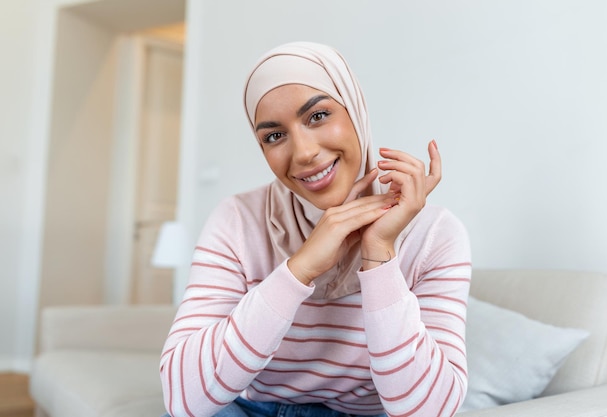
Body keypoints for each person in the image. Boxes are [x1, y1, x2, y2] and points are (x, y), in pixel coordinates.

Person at [160, 42, 471, 417]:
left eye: (318, 115)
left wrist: (379, 254)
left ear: (355, 111)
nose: (304, 152)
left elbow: (429, 411)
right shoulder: (238, 220)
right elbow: (183, 399)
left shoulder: (436, 234)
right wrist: (300, 269)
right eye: (274, 136)